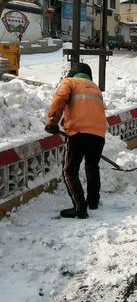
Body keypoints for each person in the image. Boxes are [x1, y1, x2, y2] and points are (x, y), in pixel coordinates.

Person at [45, 63, 106, 219]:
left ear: (73, 74)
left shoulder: (70, 82)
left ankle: (80, 208)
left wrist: (53, 121)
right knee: (92, 167)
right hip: (99, 134)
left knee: (69, 171)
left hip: (78, 132)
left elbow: (60, 98)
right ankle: (93, 202)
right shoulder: (95, 88)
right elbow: (87, 109)